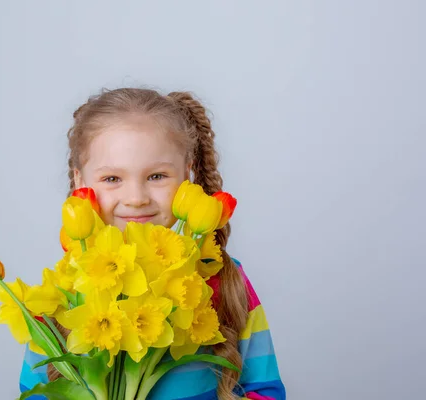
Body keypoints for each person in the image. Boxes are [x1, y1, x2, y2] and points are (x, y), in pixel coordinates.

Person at [19, 88, 286, 400]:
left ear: (188, 174)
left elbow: (265, 391)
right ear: (81, 182)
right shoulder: (61, 293)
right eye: (112, 179)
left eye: (157, 176)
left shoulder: (225, 280)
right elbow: (32, 392)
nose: (136, 198)